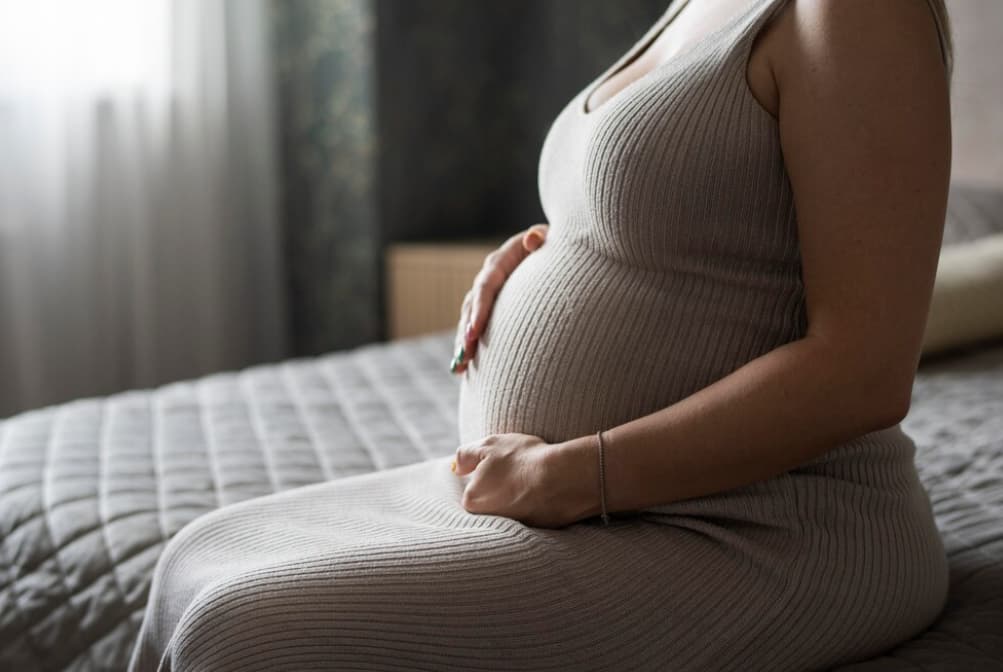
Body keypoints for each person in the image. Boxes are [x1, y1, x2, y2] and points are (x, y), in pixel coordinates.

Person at [129, 1, 953, 669]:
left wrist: (569, 476)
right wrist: (546, 246)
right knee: (193, 562)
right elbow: (707, 213)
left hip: (769, 527)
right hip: (595, 502)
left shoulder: (858, 12)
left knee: (236, 636)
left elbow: (863, 368)